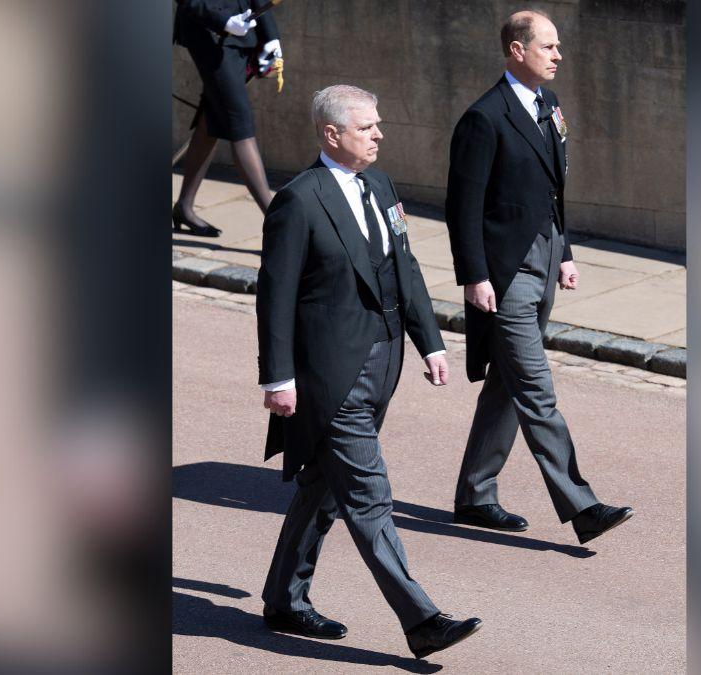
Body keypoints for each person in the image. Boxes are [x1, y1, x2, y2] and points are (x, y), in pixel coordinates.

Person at [256, 85, 482, 660]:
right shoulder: (299, 200)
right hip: (331, 375)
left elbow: (403, 268)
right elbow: (275, 297)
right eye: (367, 127)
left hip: (384, 361)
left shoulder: (380, 186)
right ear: (332, 134)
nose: (379, 134)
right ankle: (421, 619)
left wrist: (430, 342)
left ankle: (284, 598)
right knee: (368, 493)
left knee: (323, 488)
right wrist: (277, 378)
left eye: (378, 124)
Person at [444, 10, 634, 545]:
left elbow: (553, 192)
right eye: (547, 46)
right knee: (536, 389)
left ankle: (475, 496)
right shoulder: (484, 118)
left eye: (557, 46)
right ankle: (582, 505)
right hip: (505, 275)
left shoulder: (548, 105)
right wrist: (474, 276)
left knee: (507, 387)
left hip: (544, 259)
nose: (558, 55)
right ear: (516, 51)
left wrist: (565, 251)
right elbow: (464, 207)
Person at [172, 0, 282, 236]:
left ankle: (184, 206)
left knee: (211, 118)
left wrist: (271, 35)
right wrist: (223, 21)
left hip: (243, 31)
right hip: (207, 32)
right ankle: (281, 222)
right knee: (239, 122)